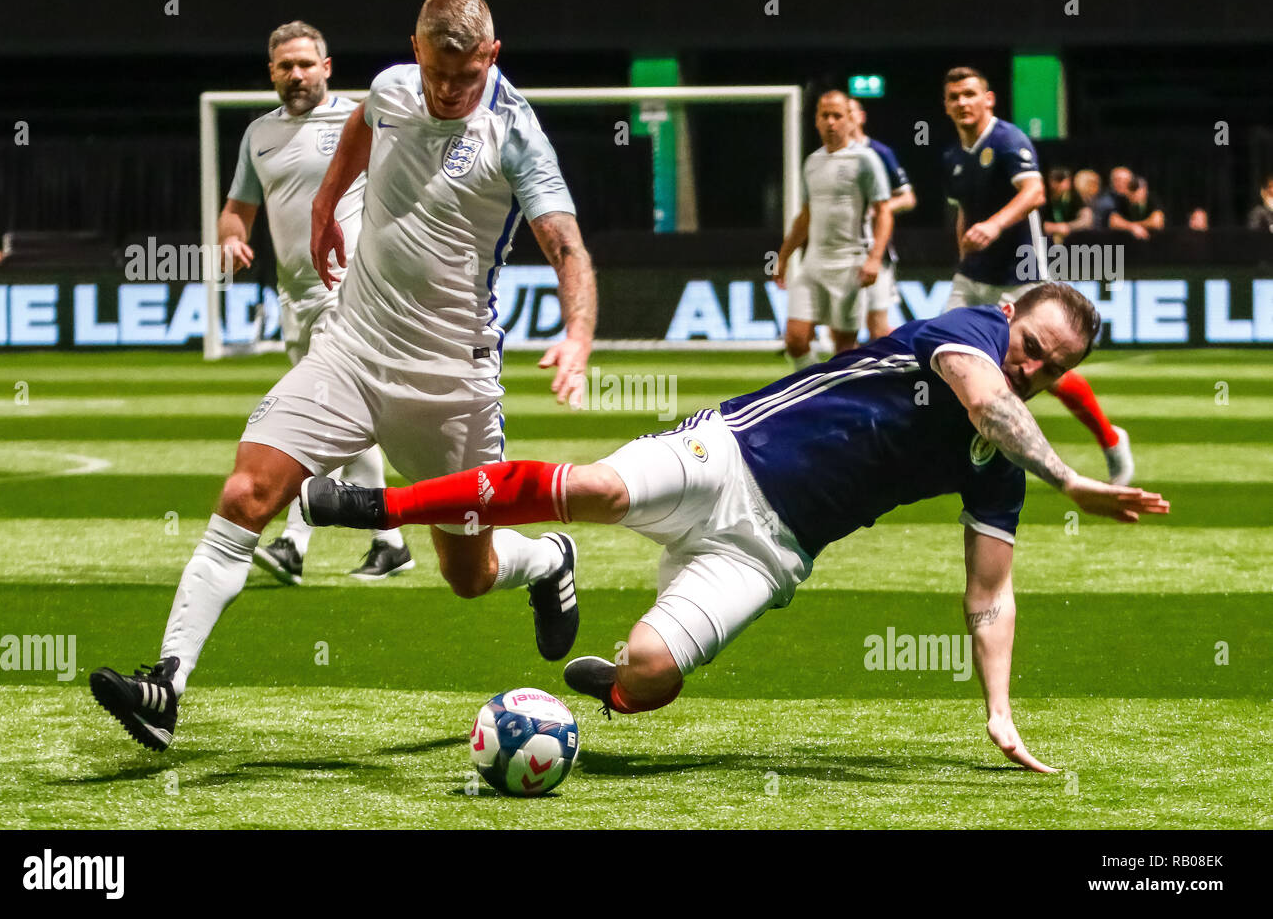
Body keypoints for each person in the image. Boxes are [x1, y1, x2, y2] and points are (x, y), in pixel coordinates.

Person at [300, 283, 1169, 773]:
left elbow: (990, 593)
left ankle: (599, 667)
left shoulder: (999, 467)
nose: (1033, 367)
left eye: (1053, 369)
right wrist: (1070, 477)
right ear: (1011, 315)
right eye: (1033, 346)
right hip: (728, 451)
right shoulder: (969, 333)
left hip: (769, 550)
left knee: (650, 677)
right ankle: (380, 508)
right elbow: (985, 399)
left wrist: (1001, 711)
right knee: (596, 487)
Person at [89, 0, 599, 751]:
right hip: (349, 349)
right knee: (246, 492)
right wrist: (328, 203)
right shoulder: (394, 87)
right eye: (435, 73)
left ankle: (551, 557)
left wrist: (579, 337)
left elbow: (567, 248)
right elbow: (363, 125)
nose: (445, 91)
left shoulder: (516, 133)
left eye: (463, 78)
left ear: (491, 57)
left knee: (467, 572)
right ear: (415, 50)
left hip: (450, 380)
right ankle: (166, 685)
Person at [218, 20, 413, 586]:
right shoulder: (259, 135)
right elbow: (238, 209)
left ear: (326, 67)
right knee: (344, 418)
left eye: (306, 63)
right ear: (272, 73)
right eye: (285, 66)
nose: (296, 74)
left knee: (317, 412)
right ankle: (390, 541)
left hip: (351, 293)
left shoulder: (364, 119)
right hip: (293, 297)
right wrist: (231, 237)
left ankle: (293, 542)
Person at [940, 67, 1134, 484]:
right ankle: (961, 459)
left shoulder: (1008, 139)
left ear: (988, 99)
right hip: (972, 275)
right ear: (946, 105)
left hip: (1019, 273)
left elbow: (1034, 193)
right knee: (946, 356)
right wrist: (964, 252)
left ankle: (1110, 438)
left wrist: (993, 226)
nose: (962, 103)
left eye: (970, 94)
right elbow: (963, 213)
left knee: (1042, 372)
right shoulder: (953, 156)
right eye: (954, 97)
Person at [773, 90, 892, 368]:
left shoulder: (866, 160)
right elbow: (806, 215)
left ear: (850, 120)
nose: (831, 122)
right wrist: (784, 256)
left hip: (849, 263)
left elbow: (884, 212)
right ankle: (813, 389)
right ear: (816, 120)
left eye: (837, 115)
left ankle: (838, 402)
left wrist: (875, 258)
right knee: (795, 339)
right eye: (824, 115)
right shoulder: (812, 162)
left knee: (844, 347)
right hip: (814, 263)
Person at [848, 97, 917, 341]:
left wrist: (878, 209)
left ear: (861, 116)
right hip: (839, 252)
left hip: (875, 248)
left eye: (851, 111)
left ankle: (907, 360)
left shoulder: (879, 152)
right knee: (844, 331)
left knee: (877, 328)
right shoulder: (829, 157)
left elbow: (908, 199)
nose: (846, 116)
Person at [1040, 167, 1093, 244]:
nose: (1057, 184)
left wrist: (1068, 226)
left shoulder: (1075, 196)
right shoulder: (1043, 196)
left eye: (1061, 180)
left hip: (1074, 240)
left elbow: (1087, 220)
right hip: (1047, 240)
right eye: (1054, 180)